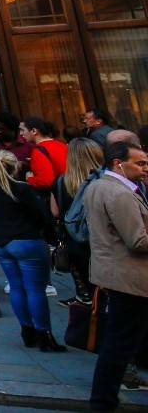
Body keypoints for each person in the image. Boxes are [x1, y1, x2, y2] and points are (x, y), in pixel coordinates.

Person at [85, 142, 148, 411]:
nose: (145, 168)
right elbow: (138, 240)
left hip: (114, 274)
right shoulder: (120, 193)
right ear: (118, 163)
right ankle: (103, 401)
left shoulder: (97, 186)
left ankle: (104, 400)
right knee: (120, 344)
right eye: (140, 163)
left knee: (121, 341)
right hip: (130, 278)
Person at [0, 150, 61, 350]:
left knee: (16, 287)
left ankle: (27, 330)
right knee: (35, 290)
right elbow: (40, 215)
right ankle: (44, 334)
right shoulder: (22, 188)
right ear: (15, 166)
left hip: (1, 240)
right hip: (26, 239)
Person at [55, 138, 104, 306]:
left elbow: (55, 212)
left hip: (75, 241)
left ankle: (93, 323)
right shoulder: (103, 181)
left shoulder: (62, 181)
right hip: (101, 239)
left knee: (89, 292)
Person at [24, 119, 69, 194]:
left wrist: (30, 179)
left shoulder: (38, 151)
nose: (21, 134)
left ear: (34, 131)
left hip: (57, 195)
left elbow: (46, 181)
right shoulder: (62, 145)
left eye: (22, 130)